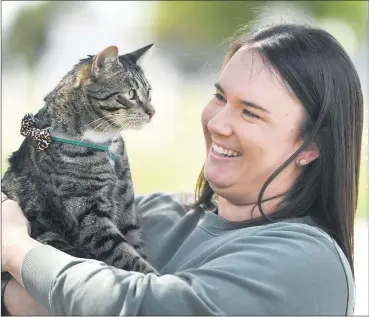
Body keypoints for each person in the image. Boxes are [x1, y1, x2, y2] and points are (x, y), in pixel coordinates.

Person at [1, 22, 363, 315]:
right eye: (220, 97)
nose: (217, 123)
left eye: (250, 112)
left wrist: (18, 253)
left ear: (310, 146)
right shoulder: (160, 212)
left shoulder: (309, 263)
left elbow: (148, 306)